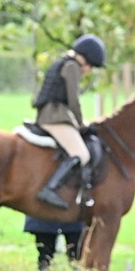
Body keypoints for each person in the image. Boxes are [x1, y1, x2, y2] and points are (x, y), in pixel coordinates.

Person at [34, 34, 106, 210]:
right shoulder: (72, 67)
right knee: (81, 153)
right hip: (55, 117)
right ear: (85, 58)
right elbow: (73, 100)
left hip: (50, 113)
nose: (88, 70)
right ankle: (50, 189)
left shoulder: (62, 62)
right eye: (90, 65)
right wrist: (81, 123)